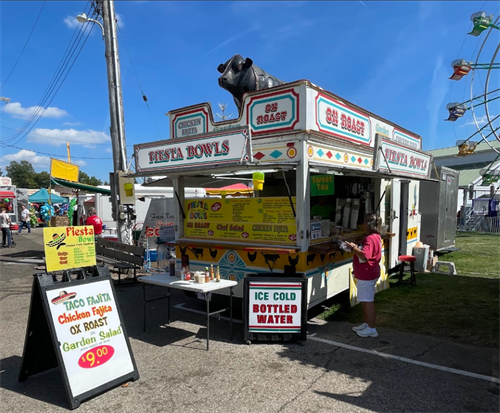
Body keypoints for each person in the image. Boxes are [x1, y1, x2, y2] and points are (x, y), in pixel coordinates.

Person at [345, 213, 382, 338]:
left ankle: (371, 328)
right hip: (370, 272)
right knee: (365, 301)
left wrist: (352, 248)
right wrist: (356, 248)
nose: (363, 225)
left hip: (367, 273)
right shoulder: (376, 236)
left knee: (367, 301)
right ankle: (367, 324)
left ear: (369, 224)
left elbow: (365, 256)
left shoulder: (369, 239)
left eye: (365, 222)